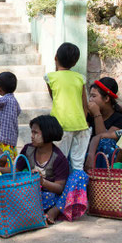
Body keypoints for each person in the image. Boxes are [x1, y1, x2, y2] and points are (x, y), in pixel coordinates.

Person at [14, 115, 88, 224]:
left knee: (80, 175)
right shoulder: (27, 149)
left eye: (35, 133)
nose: (32, 136)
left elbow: (60, 188)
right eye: (32, 132)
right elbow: (15, 171)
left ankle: (54, 212)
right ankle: (40, 213)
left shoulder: (59, 158)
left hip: (53, 198)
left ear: (47, 133)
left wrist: (42, 182)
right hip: (34, 196)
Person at [45, 42, 90, 171]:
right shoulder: (80, 78)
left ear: (55, 58)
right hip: (81, 124)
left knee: (60, 160)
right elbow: (84, 104)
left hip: (61, 124)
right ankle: (78, 190)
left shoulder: (50, 77)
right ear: (75, 63)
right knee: (78, 163)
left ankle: (59, 189)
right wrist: (84, 119)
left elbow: (53, 97)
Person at [84, 77, 122, 170]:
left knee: (105, 142)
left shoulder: (121, 120)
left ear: (106, 98)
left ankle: (102, 178)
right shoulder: (90, 115)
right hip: (89, 154)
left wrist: (97, 114)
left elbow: (102, 138)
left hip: (107, 160)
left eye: (94, 96)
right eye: (90, 96)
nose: (90, 100)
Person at [0, 72, 21, 160]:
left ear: (0, 89)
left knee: (2, 158)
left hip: (3, 137)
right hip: (12, 137)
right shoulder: (14, 101)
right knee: (10, 157)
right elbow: (18, 111)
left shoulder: (5, 99)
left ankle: (1, 170)